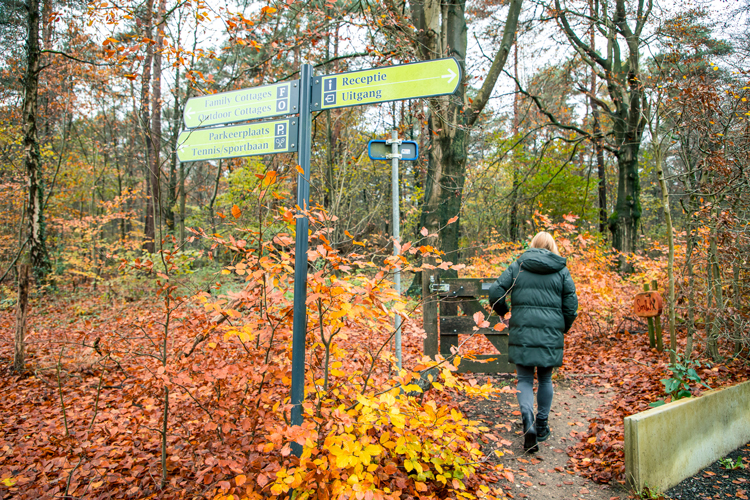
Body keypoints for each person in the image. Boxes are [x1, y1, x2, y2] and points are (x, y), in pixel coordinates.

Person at [488, 231, 578, 453]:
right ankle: (541, 425)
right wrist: (562, 328)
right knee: (545, 378)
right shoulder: (561, 270)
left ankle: (527, 421)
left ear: (533, 245)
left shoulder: (519, 266)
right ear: (552, 246)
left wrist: (504, 313)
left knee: (525, 379)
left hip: (523, 332)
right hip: (550, 334)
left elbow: (495, 291)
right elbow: (571, 307)